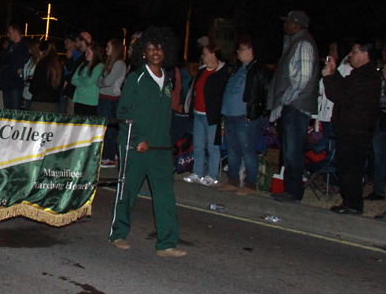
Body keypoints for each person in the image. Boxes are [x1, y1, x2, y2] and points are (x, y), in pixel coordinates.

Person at [108, 26, 186, 258]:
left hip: (161, 149)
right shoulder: (136, 78)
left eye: (160, 48)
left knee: (165, 196)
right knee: (127, 191)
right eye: (151, 48)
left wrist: (168, 142)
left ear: (166, 52)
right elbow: (123, 111)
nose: (155, 52)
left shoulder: (168, 81)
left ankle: (166, 243)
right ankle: (118, 233)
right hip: (135, 146)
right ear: (143, 52)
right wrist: (138, 139)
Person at [267, 11, 321, 203]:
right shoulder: (296, 43)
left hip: (296, 107)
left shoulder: (303, 44)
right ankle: (290, 189)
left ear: (296, 25)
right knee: (290, 151)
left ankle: (294, 191)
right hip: (293, 106)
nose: (285, 25)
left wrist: (286, 101)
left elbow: (302, 79)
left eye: (287, 22)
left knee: (294, 151)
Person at [322, 40, 381, 215]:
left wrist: (328, 78)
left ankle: (352, 204)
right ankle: (350, 202)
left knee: (350, 168)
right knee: (348, 167)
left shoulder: (365, 76)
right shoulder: (361, 74)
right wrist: (335, 73)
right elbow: (346, 87)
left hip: (354, 129)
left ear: (365, 54)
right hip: (353, 128)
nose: (350, 55)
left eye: (354, 52)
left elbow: (341, 95)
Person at [217, 36, 273, 196]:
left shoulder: (259, 70)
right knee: (232, 150)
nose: (237, 52)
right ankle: (233, 181)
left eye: (241, 49)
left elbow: (268, 93)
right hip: (229, 116)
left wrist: (261, 114)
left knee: (248, 151)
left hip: (246, 117)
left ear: (250, 51)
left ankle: (250, 184)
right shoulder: (237, 69)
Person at [182, 42, 230, 187]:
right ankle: (197, 172)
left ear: (213, 54)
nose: (202, 57)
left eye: (205, 53)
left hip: (212, 116)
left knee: (212, 146)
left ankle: (212, 175)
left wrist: (220, 114)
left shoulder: (222, 73)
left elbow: (222, 96)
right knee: (197, 145)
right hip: (198, 113)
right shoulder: (202, 71)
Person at [368, 40, 386, 202]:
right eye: (383, 50)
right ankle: (378, 191)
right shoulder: (382, 69)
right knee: (379, 155)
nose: (385, 53)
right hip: (381, 117)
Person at [97, 38, 126, 167]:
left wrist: (102, 82)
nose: (106, 49)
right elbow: (100, 81)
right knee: (104, 128)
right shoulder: (109, 63)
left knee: (110, 130)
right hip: (103, 98)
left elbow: (106, 81)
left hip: (110, 100)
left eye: (109, 47)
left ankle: (110, 157)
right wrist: (102, 82)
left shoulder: (119, 64)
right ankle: (106, 155)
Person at [0, 24, 31, 110]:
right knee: (7, 107)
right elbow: (2, 59)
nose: (8, 35)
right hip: (7, 81)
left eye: (9, 32)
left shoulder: (24, 46)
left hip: (15, 82)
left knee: (14, 107)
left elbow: (17, 62)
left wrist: (10, 62)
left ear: (15, 32)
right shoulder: (10, 46)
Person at [70, 41, 104, 116]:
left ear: (95, 53)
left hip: (90, 101)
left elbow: (90, 81)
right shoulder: (83, 65)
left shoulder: (99, 66)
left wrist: (80, 80)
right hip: (79, 99)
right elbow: (73, 80)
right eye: (86, 52)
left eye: (88, 52)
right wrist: (83, 81)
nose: (86, 54)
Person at [27, 40, 62, 112]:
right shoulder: (59, 65)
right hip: (54, 102)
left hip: (40, 101)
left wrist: (31, 86)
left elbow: (35, 84)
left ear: (43, 51)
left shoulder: (42, 64)